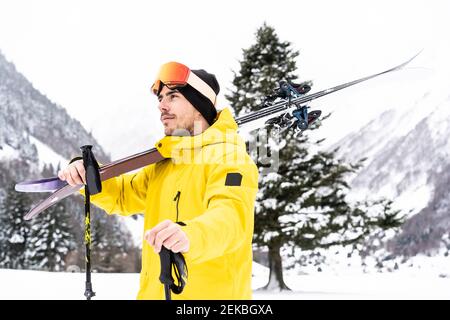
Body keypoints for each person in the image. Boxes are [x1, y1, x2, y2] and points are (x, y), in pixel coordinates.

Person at [58, 61, 259, 300]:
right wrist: (88, 173)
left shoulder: (229, 157)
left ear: (199, 107)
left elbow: (231, 219)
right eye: (160, 98)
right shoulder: (166, 163)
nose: (161, 105)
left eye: (172, 96)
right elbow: (123, 195)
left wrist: (190, 234)